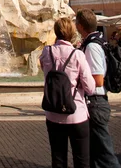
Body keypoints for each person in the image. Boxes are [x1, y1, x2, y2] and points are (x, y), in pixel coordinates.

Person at [40, 17, 95, 168]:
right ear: (72, 33)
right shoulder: (77, 55)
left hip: (53, 114)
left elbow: (43, 70)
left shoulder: (46, 52)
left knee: (58, 160)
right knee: (82, 160)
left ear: (56, 32)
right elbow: (90, 88)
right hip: (76, 114)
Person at [76, 9, 120, 168]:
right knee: (95, 154)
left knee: (106, 155)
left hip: (96, 102)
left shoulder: (92, 46)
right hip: (94, 103)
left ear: (80, 26)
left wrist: (78, 82)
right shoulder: (92, 42)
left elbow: (98, 80)